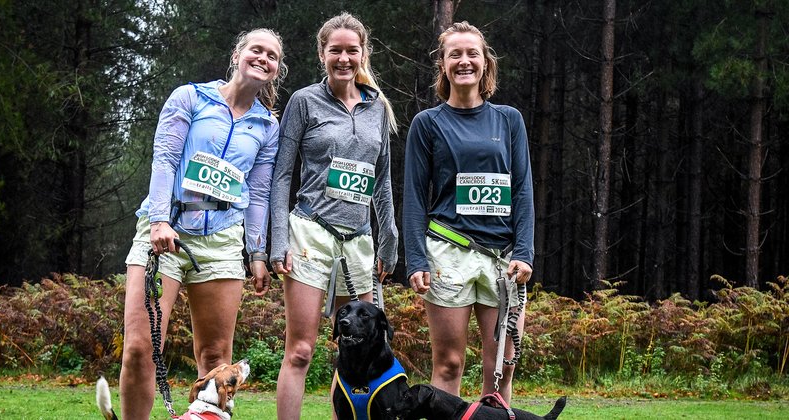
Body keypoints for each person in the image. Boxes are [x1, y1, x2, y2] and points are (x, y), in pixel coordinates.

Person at [118, 28, 286, 419]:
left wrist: (257, 253)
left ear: (277, 69)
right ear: (237, 54)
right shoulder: (190, 97)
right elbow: (165, 160)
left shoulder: (268, 127)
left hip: (223, 243)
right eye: (255, 50)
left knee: (215, 356)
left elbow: (258, 195)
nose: (263, 58)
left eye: (272, 56)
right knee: (142, 348)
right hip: (166, 233)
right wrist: (159, 219)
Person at [269, 12, 398, 419]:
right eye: (335, 50)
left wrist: (389, 242)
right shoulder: (304, 101)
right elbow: (280, 177)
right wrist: (276, 242)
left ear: (363, 54)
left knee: (356, 348)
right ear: (322, 53)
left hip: (359, 241)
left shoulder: (378, 107)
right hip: (310, 233)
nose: (344, 58)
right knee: (302, 350)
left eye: (352, 50)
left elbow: (382, 181)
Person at [403, 21, 534, 402]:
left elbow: (523, 188)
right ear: (443, 65)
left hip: (502, 260)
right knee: (448, 364)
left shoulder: (509, 119)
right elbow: (413, 196)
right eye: (454, 54)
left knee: (502, 367)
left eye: (472, 53)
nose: (464, 61)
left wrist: (524, 251)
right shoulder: (427, 123)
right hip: (447, 253)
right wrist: (415, 259)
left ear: (485, 63)